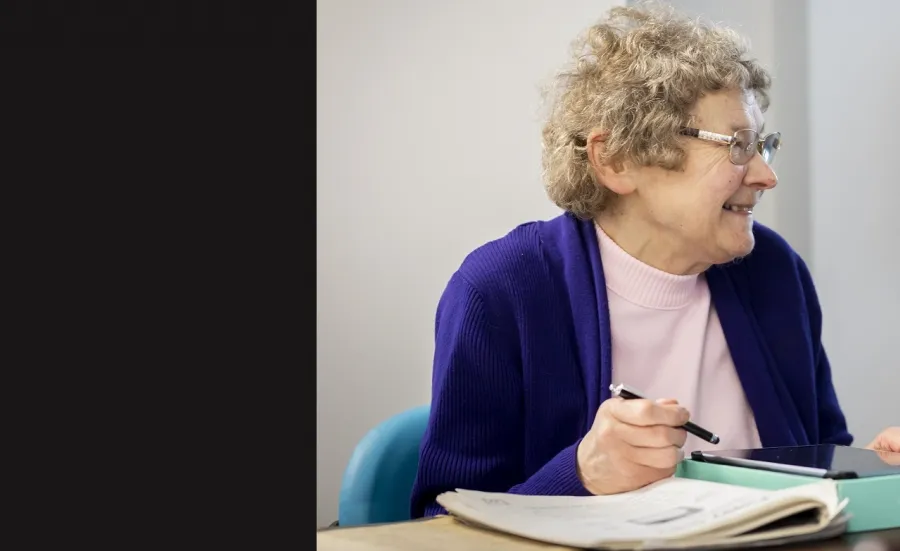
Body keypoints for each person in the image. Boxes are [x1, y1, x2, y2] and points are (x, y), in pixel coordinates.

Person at [409, 4, 900, 518]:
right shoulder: (503, 291)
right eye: (737, 146)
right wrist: (579, 474)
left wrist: (877, 473)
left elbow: (825, 461)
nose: (764, 176)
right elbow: (436, 524)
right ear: (617, 159)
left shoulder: (775, 272)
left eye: (762, 146)